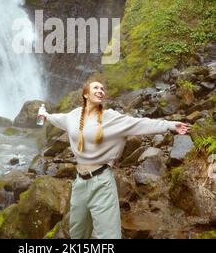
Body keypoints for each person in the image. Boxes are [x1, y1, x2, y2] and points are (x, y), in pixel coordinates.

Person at [39, 79, 190, 239]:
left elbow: (139, 123)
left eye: (102, 89)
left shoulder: (110, 118)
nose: (100, 91)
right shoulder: (74, 116)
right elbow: (57, 119)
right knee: (77, 233)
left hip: (101, 181)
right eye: (95, 88)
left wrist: (170, 125)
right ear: (85, 94)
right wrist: (46, 115)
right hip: (79, 183)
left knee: (109, 236)